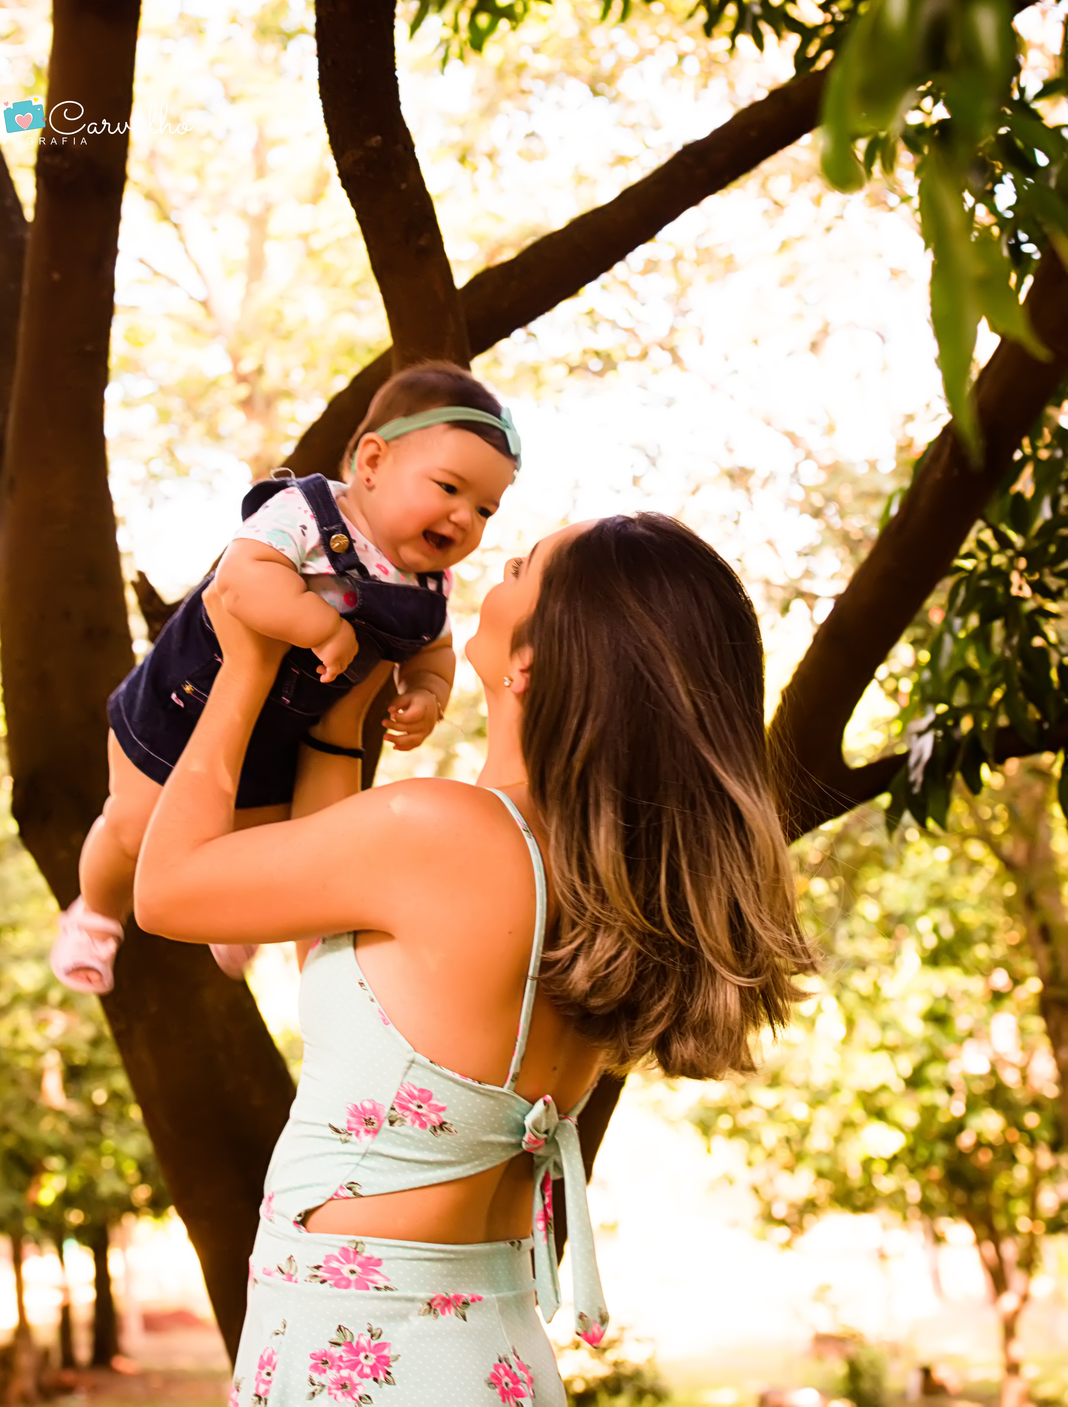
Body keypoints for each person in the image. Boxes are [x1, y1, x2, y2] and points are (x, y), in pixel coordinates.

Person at [133, 512, 814, 1406]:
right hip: (482, 1357)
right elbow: (343, 964)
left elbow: (166, 891)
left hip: (371, 1365)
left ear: (532, 661)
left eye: (522, 568)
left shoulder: (444, 833)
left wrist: (246, 665)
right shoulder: (595, 875)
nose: (494, 568)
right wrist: (342, 719)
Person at [51, 362, 521, 995]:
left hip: (279, 743)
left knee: (264, 842)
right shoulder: (304, 513)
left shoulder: (429, 586)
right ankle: (96, 916)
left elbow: (433, 650)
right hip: (182, 707)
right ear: (373, 462)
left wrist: (427, 693)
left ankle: (223, 906)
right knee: (133, 827)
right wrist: (318, 624)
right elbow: (241, 579)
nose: (464, 517)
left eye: (485, 508)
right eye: (449, 487)